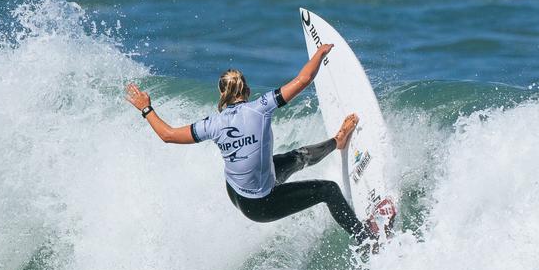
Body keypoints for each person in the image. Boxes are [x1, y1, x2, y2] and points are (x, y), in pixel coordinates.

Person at [124, 42, 377, 245]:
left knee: (296, 157)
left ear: (222, 93)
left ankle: (338, 141)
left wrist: (146, 108)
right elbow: (303, 80)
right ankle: (366, 240)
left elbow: (167, 134)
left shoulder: (211, 124)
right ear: (246, 90)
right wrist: (320, 53)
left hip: (235, 192)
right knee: (328, 190)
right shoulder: (261, 108)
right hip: (261, 205)